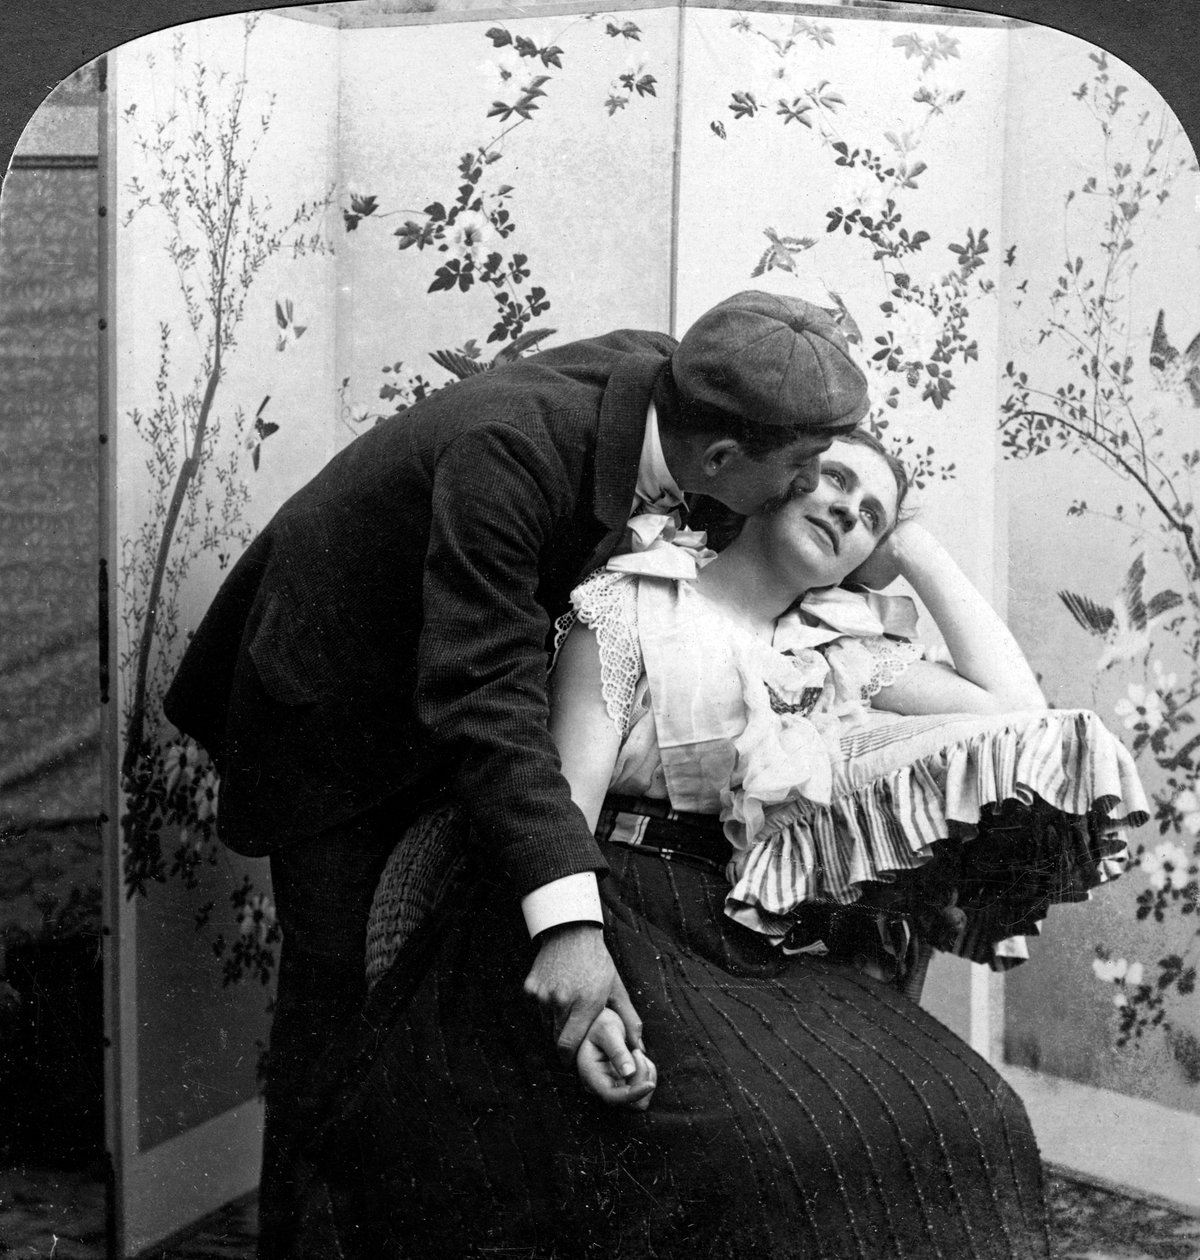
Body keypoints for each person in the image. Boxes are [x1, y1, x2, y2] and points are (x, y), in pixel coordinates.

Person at [297, 431, 1146, 1257]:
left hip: (734, 923)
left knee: (974, 1109)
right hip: (605, 894)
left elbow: (1022, 717)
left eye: (872, 517)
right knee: (757, 1150)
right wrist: (583, 964)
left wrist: (916, 548)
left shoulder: (839, 651)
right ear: (776, 476)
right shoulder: (634, 600)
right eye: (835, 480)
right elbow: (563, 814)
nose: (849, 511)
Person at [162, 291, 870, 1258]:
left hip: (430, 687)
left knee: (437, 988)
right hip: (326, 711)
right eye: (804, 468)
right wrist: (570, 925)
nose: (810, 487)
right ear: (718, 459)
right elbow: (482, 693)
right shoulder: (511, 446)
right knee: (341, 1019)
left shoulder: (678, 387)